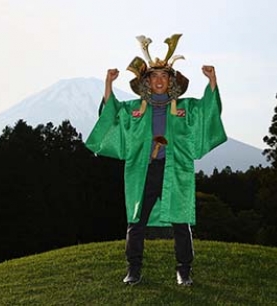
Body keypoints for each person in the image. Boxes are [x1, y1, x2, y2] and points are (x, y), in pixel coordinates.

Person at [85, 34, 227, 286]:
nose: (159, 80)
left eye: (164, 76)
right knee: (136, 219)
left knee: (181, 221)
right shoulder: (135, 110)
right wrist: (108, 84)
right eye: (154, 76)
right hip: (144, 170)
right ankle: (133, 269)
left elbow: (208, 111)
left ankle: (184, 270)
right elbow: (112, 116)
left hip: (175, 170)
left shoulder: (185, 108)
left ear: (171, 81)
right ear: (146, 82)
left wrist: (213, 81)